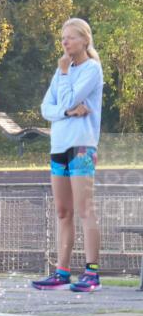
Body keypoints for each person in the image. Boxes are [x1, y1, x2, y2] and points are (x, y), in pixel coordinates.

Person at [33, 18, 104, 293]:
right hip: (59, 146)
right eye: (63, 38)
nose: (65, 43)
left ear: (84, 41)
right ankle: (62, 272)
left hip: (81, 146)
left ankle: (92, 272)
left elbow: (66, 100)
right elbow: (46, 108)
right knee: (63, 211)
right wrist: (66, 112)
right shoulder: (61, 69)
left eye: (70, 38)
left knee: (85, 209)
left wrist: (65, 94)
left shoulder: (92, 70)